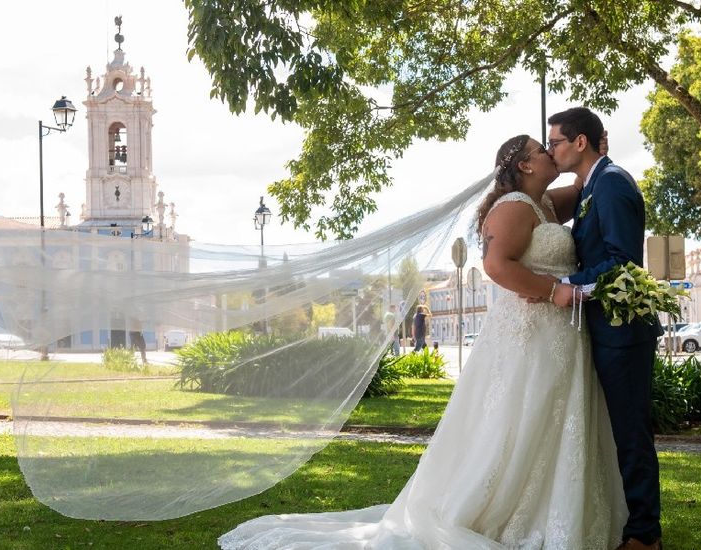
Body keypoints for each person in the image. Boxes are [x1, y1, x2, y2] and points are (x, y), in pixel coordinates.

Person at [218, 135, 627, 549]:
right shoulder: (514, 208)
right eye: (543, 150)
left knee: (549, 419)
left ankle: (551, 507)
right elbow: (495, 265)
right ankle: (504, 512)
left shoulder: (545, 203)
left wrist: (593, 149)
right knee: (517, 419)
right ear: (524, 165)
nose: (550, 154)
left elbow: (584, 183)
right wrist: (552, 290)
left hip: (557, 334)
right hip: (530, 329)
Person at [546, 107, 664, 550]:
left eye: (555, 141)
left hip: (623, 330)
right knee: (618, 432)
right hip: (605, 328)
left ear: (580, 142)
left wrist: (562, 285)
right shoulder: (590, 185)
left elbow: (622, 265)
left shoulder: (611, 183)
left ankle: (644, 535)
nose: (551, 149)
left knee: (632, 433)